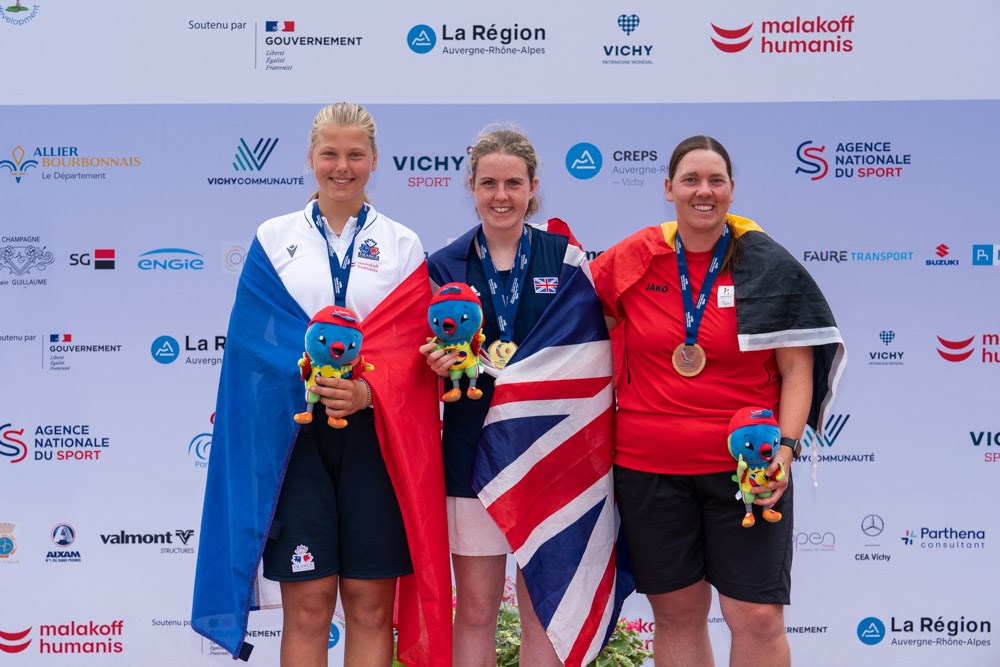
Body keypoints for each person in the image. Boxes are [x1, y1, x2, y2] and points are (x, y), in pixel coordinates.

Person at [192, 102, 452, 667]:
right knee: (308, 607)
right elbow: (250, 347)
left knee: (369, 606)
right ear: (310, 158)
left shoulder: (403, 244)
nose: (342, 166)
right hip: (297, 440)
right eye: (330, 153)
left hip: (374, 443)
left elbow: (411, 352)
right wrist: (303, 378)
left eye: (355, 154)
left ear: (374, 160)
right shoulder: (273, 236)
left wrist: (368, 391)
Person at [590, 135, 845, 667]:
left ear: (731, 190)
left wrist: (787, 449)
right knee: (678, 612)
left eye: (715, 181)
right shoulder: (635, 257)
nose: (703, 192)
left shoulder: (766, 265)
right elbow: (581, 336)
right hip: (649, 466)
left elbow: (797, 367)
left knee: (756, 615)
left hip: (750, 467)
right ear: (668, 189)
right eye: (691, 180)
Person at [419, 128, 583, 667]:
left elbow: (594, 349)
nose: (501, 195)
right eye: (489, 183)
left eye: (514, 183)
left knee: (542, 608)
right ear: (471, 187)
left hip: (547, 456)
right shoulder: (443, 266)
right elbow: (414, 358)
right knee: (476, 609)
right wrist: (432, 365)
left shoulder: (565, 259)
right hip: (471, 454)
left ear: (533, 187)